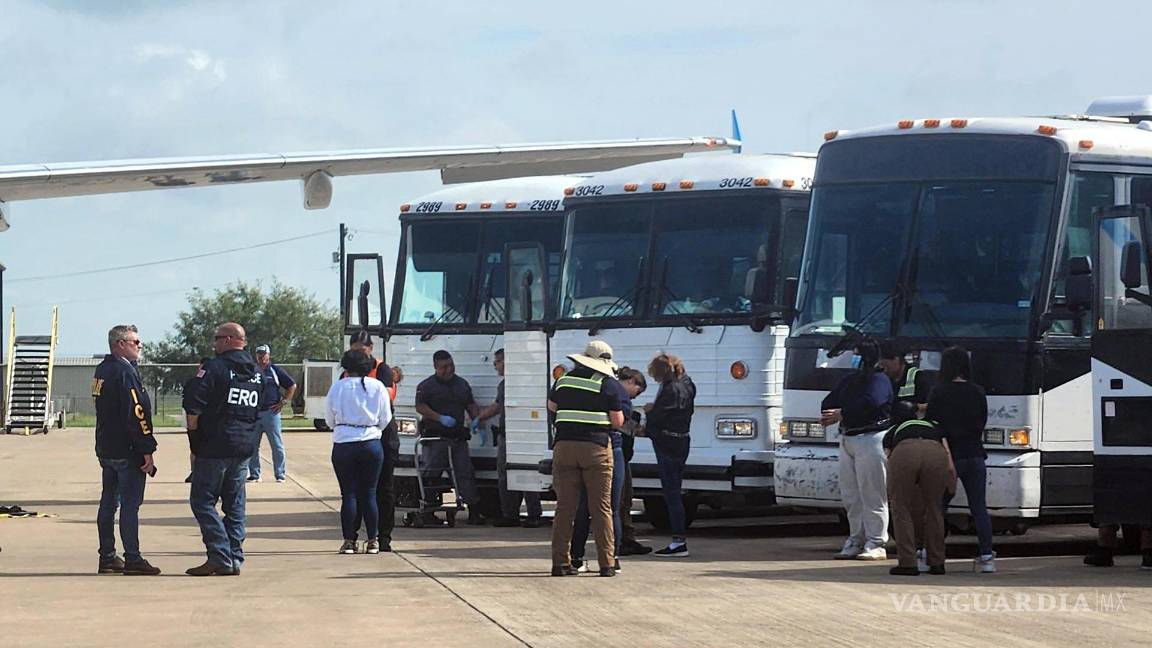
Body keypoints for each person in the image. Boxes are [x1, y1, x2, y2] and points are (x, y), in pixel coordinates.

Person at [182, 322, 261, 576]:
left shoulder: (214, 368)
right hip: (243, 446)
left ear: (228, 340)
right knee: (235, 504)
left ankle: (220, 554)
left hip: (214, 446)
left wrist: (193, 438)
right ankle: (235, 557)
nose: (214, 343)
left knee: (202, 502)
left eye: (216, 338)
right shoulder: (256, 373)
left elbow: (194, 406)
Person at [548, 340, 623, 577]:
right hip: (595, 449)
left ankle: (560, 563)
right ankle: (607, 564)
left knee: (565, 508)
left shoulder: (563, 380)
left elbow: (551, 407)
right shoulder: (607, 384)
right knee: (601, 508)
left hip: (564, 448)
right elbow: (618, 421)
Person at [92, 324, 161, 576]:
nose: (139, 346)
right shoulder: (124, 371)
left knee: (108, 503)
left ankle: (107, 556)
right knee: (130, 504)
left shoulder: (103, 369)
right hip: (126, 449)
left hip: (106, 447)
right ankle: (133, 557)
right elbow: (136, 412)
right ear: (120, 344)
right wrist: (147, 449)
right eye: (135, 342)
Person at [820, 339, 893, 561]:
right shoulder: (851, 380)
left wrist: (843, 413)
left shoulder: (880, 380)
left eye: (856, 355)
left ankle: (876, 542)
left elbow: (872, 402)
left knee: (873, 493)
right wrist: (833, 413)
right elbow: (829, 401)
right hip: (848, 438)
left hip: (871, 438)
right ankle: (856, 538)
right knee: (851, 495)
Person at [571, 365, 645, 570]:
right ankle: (612, 560)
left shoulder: (573, 383)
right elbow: (620, 422)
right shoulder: (613, 388)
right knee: (611, 508)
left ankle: (576, 557)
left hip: (580, 447)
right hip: (610, 449)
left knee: (582, 507)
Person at [926, 346, 992, 573]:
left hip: (949, 456)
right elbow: (981, 421)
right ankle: (986, 557)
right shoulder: (978, 391)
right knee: (979, 508)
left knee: (937, 507)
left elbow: (932, 424)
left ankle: (930, 554)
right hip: (975, 454)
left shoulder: (939, 391)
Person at [326, 350, 392, 555]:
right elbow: (385, 418)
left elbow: (329, 419)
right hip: (371, 442)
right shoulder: (377, 386)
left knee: (349, 494)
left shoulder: (338, 387)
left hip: (344, 442)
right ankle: (373, 540)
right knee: (370, 493)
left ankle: (349, 541)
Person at [415, 350, 485, 525]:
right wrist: (439, 418)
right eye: (444, 367)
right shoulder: (426, 386)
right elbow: (420, 407)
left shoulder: (461, 384)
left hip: (457, 439)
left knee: (465, 473)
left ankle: (474, 511)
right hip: (435, 439)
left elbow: (470, 404)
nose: (448, 370)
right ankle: (429, 510)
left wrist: (477, 420)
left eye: (451, 365)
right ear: (435, 367)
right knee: (432, 475)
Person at [345, 330, 399, 551]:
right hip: (355, 437)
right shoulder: (346, 373)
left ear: (371, 349)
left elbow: (386, 397)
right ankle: (353, 536)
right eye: (355, 350)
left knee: (383, 489)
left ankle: (382, 537)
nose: (359, 354)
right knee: (356, 489)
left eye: (362, 350)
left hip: (382, 433)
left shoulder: (382, 369)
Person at [478, 349, 544, 528]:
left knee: (507, 474)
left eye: (497, 362)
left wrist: (479, 418)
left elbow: (497, 407)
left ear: (507, 362)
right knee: (527, 473)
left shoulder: (508, 384)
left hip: (512, 435)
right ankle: (533, 514)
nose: (496, 366)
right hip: (529, 435)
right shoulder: (531, 380)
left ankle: (511, 514)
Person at [644, 352, 696, 557]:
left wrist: (650, 410)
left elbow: (658, 417)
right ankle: (678, 538)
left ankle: (678, 540)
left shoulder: (669, 390)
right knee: (676, 489)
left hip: (667, 442)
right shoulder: (687, 384)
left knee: (671, 492)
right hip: (683, 439)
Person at [247, 344, 296, 483]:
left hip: (271, 413)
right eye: (259, 354)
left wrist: (283, 402)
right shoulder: (251, 370)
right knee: (252, 445)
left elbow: (292, 385)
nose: (261, 357)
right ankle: (255, 474)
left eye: (264, 354)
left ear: (269, 355)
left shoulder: (275, 371)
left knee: (276, 445)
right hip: (254, 413)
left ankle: (280, 474)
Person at [615, 368, 652, 556]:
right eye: (638, 391)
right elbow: (621, 424)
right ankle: (622, 540)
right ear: (631, 381)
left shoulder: (616, 393)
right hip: (616, 454)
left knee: (625, 499)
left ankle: (626, 538)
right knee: (621, 500)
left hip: (621, 455)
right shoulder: (617, 395)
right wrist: (644, 428)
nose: (636, 397)